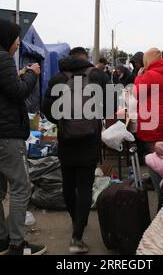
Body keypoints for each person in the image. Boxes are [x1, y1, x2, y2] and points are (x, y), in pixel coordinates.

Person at [0, 18, 46, 255]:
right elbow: (18, 92)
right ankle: (17, 243)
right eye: (16, 38)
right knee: (21, 187)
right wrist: (32, 75)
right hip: (6, 135)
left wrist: (17, 73)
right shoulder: (1, 58)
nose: (18, 43)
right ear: (6, 38)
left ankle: (0, 241)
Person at [42, 47, 109, 254]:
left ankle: (75, 221)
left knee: (68, 184)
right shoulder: (98, 76)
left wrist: (65, 121)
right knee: (85, 186)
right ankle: (77, 236)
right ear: (86, 59)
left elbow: (47, 108)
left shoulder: (58, 78)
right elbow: (110, 106)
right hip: (89, 140)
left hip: (66, 140)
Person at [134, 48, 163, 199]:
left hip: (152, 121)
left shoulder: (150, 74)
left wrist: (139, 76)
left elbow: (136, 93)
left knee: (154, 156)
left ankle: (161, 190)